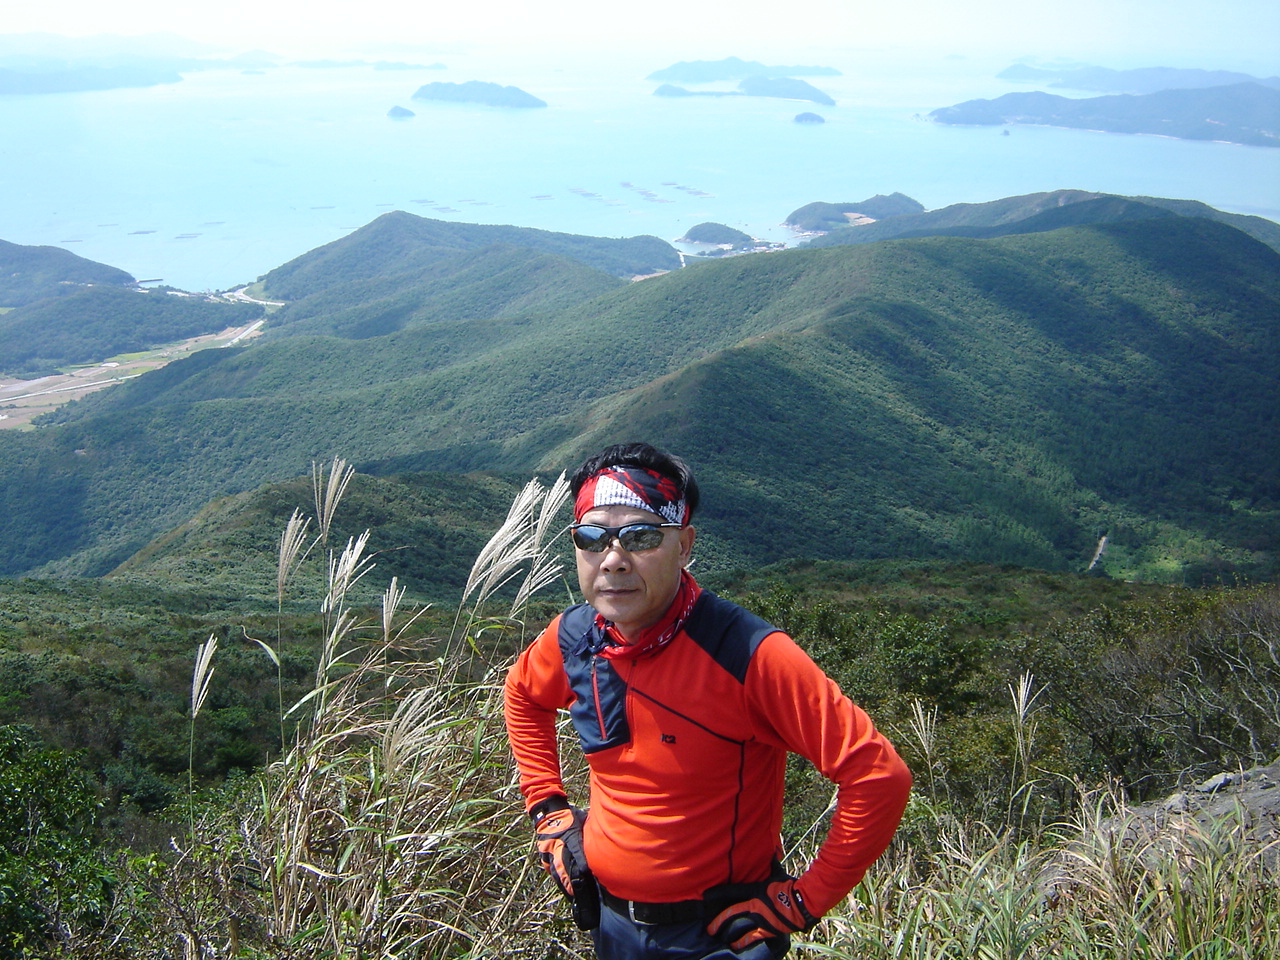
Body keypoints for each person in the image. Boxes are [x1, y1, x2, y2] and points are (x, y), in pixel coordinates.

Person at [503, 442, 912, 959]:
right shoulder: (575, 639)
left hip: (719, 937)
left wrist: (804, 900)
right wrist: (548, 809)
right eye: (592, 537)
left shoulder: (746, 654)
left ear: (685, 545)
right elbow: (522, 695)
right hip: (613, 924)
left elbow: (878, 776)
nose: (613, 560)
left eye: (641, 536)